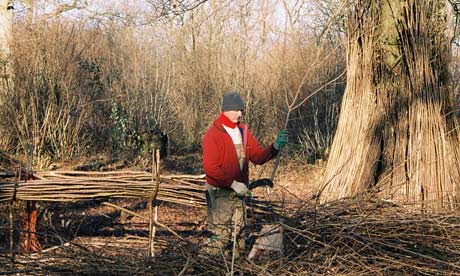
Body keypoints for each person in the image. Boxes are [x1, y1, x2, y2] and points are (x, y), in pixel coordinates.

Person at [202, 91, 288, 257]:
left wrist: (275, 147)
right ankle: (202, 266)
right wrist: (233, 184)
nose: (239, 114)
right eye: (236, 110)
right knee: (221, 238)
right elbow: (211, 168)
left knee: (238, 237)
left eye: (241, 110)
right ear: (225, 110)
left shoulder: (243, 131)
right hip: (220, 193)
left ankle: (232, 269)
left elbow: (257, 156)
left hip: (239, 193)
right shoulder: (212, 135)